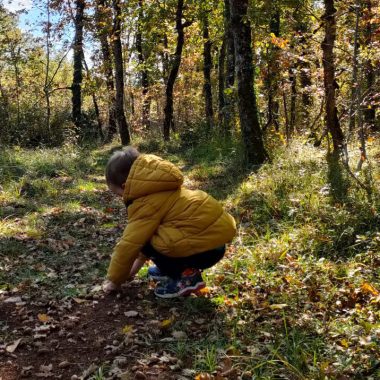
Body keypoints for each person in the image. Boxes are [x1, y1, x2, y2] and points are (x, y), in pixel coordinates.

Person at [102, 147, 236, 298]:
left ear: (125, 187)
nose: (120, 198)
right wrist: (130, 272)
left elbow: (130, 244)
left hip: (203, 251)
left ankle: (185, 276)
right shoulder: (162, 187)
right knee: (156, 235)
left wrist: (114, 280)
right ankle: (173, 269)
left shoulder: (145, 202)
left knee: (148, 239)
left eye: (117, 194)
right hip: (215, 245)